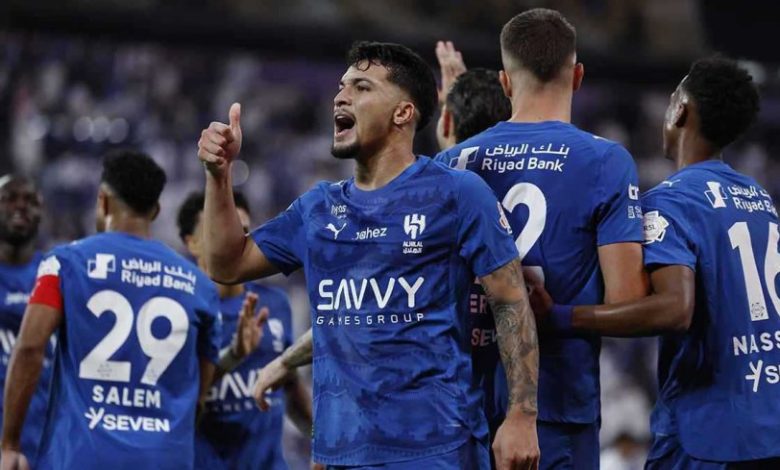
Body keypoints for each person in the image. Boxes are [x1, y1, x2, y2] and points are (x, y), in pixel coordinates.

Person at [197, 41, 540, 469]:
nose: (340, 97)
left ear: (403, 113)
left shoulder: (457, 193)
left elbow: (510, 302)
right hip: (341, 451)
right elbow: (226, 263)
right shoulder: (317, 208)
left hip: (434, 448)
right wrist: (219, 175)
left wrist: (522, 415)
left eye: (361, 87)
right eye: (341, 86)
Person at [527, 57, 780, 467]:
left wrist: (562, 317)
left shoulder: (671, 200)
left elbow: (675, 309)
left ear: (680, 109)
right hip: (769, 421)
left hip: (710, 432)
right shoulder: (758, 198)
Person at [435, 9, 647, 470]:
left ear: (505, 82)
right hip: (556, 408)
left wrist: (453, 128)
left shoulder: (452, 162)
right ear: (578, 76)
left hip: (461, 411)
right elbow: (629, 302)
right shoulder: (606, 161)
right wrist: (560, 315)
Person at [0, 150, 223, 470]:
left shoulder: (64, 264)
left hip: (82, 455)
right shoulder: (200, 286)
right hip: (164, 459)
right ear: (156, 210)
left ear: (103, 201)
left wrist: (9, 444)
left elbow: (30, 347)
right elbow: (198, 392)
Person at [176, 191, 312, 470]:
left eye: (244, 231)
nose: (232, 239)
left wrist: (324, 441)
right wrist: (233, 355)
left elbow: (288, 382)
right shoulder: (179, 312)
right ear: (191, 242)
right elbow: (179, 403)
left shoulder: (274, 304)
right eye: (217, 231)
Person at [0, 176, 51, 468]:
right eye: (9, 198)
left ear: (41, 213)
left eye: (30, 201)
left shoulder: (56, 273)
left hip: (45, 439)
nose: (20, 206)